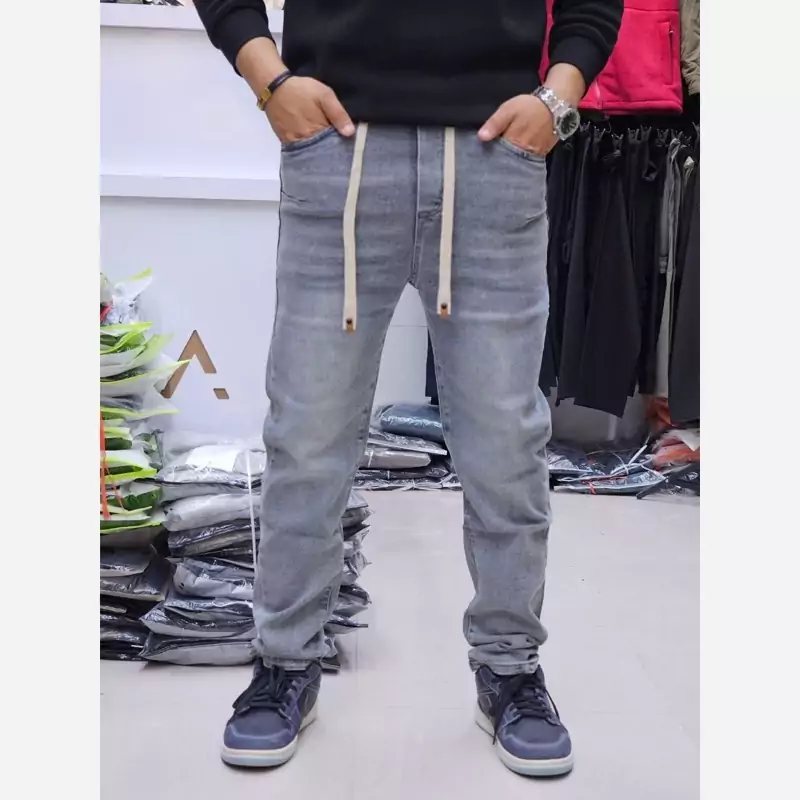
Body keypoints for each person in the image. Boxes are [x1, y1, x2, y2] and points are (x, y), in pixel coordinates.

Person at [194, 0, 622, 778]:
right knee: (308, 435)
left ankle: (510, 669)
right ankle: (286, 663)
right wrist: (270, 81)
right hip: (339, 150)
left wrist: (558, 99)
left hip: (494, 157)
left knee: (506, 446)